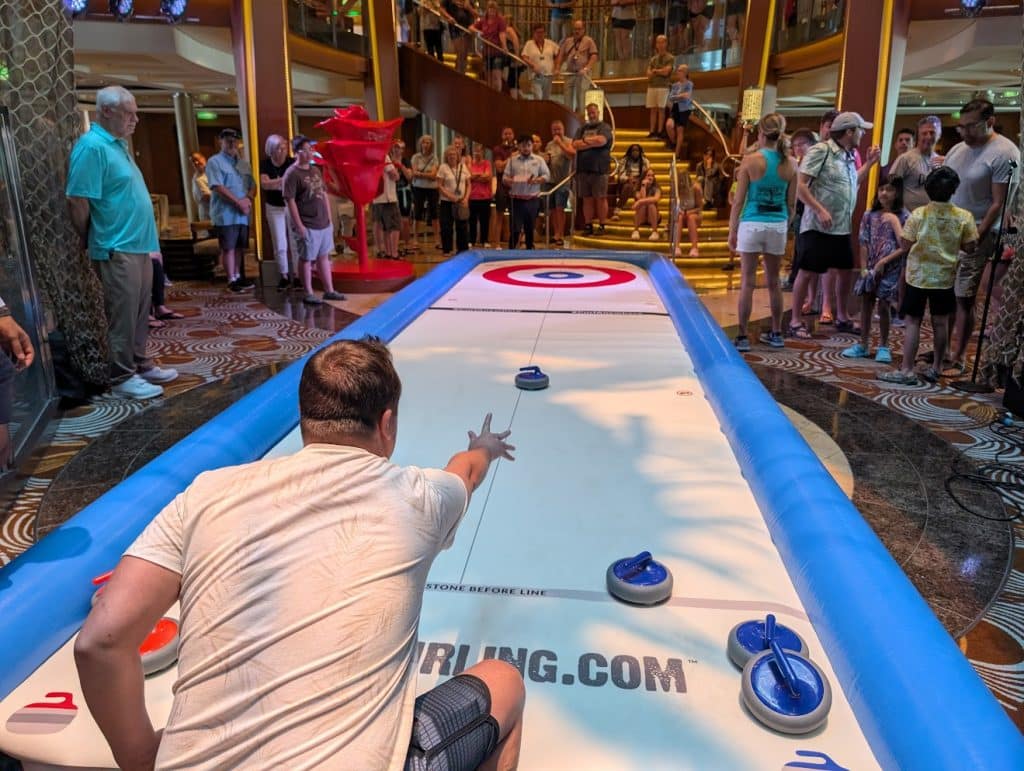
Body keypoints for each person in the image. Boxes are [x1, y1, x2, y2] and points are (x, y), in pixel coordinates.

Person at [75, 337, 525, 771]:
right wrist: (482, 448)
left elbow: (102, 641)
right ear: (387, 424)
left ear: (306, 417)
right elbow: (464, 472)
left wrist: (137, 759)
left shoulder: (208, 493)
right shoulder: (418, 497)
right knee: (504, 681)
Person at [66, 85, 178, 400]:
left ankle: (140, 363)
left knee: (141, 311)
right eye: (129, 113)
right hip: (116, 245)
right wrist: (91, 239)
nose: (136, 119)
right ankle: (121, 376)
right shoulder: (92, 147)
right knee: (123, 316)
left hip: (138, 245)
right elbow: (77, 200)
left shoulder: (117, 145)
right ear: (107, 112)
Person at [879, 167, 977, 385]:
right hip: (944, 278)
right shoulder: (964, 217)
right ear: (953, 190)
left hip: (918, 276)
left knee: (913, 321)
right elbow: (971, 246)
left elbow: (905, 244)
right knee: (940, 322)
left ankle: (906, 370)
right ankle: (937, 367)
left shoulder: (919, 214)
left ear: (928, 189)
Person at [787, 112, 881, 339]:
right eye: (860, 129)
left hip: (841, 226)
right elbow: (801, 186)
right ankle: (795, 320)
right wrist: (819, 209)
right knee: (807, 271)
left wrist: (869, 164)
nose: (863, 134)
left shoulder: (849, 155)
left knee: (845, 270)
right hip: (818, 226)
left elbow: (852, 182)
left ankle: (842, 316)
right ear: (849, 131)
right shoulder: (822, 151)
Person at [944, 98, 1020, 375]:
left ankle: (959, 355)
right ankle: (943, 349)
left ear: (989, 122)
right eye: (960, 127)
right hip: (950, 229)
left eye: (970, 127)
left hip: (980, 231)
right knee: (944, 293)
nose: (964, 133)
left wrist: (976, 236)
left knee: (964, 295)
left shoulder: (1004, 152)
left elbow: (998, 203)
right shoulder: (957, 149)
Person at [728, 113, 798, 352]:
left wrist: (732, 230)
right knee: (773, 282)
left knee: (747, 282)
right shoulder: (791, 163)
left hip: (752, 223)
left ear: (760, 133)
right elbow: (792, 204)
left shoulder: (750, 160)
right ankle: (777, 333)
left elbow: (738, 201)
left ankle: (743, 336)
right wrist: (784, 226)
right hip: (777, 224)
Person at [842, 178, 909, 364]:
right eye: (881, 189)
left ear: (897, 193)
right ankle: (863, 343)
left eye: (889, 190)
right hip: (871, 266)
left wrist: (884, 262)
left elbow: (904, 245)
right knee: (866, 301)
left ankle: (884, 345)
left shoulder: (904, 216)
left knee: (884, 305)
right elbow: (863, 241)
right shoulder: (869, 215)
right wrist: (864, 267)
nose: (884, 194)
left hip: (891, 268)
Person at [282, 136, 346, 306]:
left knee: (323, 256)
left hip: (322, 221)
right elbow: (290, 201)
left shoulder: (315, 170)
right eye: (307, 149)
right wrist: (299, 225)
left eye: (311, 149)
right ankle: (308, 292)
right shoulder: (292, 174)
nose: (311, 152)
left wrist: (329, 217)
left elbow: (323, 193)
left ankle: (329, 290)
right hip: (307, 222)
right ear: (297, 152)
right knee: (306, 258)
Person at [206, 128, 256, 293]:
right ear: (221, 142)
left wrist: (247, 199)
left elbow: (252, 185)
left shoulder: (242, 164)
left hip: (242, 214)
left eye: (234, 141)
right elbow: (217, 186)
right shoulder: (215, 161)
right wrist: (238, 202)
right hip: (225, 213)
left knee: (240, 247)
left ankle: (238, 276)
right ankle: (231, 279)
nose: (232, 143)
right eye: (228, 141)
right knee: (228, 247)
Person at [260, 134, 298, 290]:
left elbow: (295, 183)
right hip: (274, 207)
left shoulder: (292, 162)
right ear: (271, 150)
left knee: (295, 242)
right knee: (280, 243)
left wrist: (275, 182)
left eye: (284, 147)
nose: (282, 151)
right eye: (278, 148)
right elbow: (265, 185)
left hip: (291, 205)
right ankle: (283, 275)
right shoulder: (266, 164)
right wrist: (283, 181)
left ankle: (297, 275)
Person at [572, 102, 614, 236]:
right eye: (589, 113)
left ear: (598, 113)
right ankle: (588, 225)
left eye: (593, 112)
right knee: (586, 199)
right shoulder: (581, 128)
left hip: (600, 169)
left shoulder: (605, 127)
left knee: (601, 198)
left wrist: (584, 141)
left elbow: (602, 141)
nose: (591, 115)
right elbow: (574, 144)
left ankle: (602, 225)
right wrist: (592, 142)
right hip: (583, 169)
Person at [505, 134, 551, 249]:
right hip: (516, 200)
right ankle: (510, 253)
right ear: (518, 147)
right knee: (515, 229)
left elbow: (547, 175)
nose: (526, 148)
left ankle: (529, 251)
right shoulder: (512, 160)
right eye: (523, 146)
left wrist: (537, 180)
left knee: (529, 228)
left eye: (529, 145)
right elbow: (504, 178)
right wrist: (509, 181)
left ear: (532, 146)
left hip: (532, 200)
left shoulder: (539, 160)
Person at [555, 20, 599, 114]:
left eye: (579, 29)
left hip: (583, 73)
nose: (577, 31)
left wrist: (586, 68)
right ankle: (569, 118)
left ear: (583, 30)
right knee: (567, 98)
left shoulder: (589, 41)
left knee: (581, 97)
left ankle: (581, 120)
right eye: (575, 29)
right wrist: (557, 68)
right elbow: (560, 55)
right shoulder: (568, 41)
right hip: (570, 72)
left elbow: (594, 56)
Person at [544, 120, 574, 246]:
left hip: (563, 181)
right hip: (550, 180)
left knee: (560, 208)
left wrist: (560, 143)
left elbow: (572, 155)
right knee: (551, 209)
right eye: (554, 130)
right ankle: (555, 233)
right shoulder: (549, 144)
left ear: (563, 129)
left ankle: (561, 235)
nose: (557, 132)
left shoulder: (569, 141)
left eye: (559, 129)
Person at [437, 145, 470, 255]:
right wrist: (450, 196)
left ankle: (462, 250)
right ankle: (447, 249)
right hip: (446, 201)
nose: (452, 156)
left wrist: (466, 198)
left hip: (461, 201)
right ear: (446, 156)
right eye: (449, 154)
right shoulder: (443, 167)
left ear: (457, 156)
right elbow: (439, 186)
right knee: (446, 226)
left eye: (454, 154)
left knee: (462, 226)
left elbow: (469, 184)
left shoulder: (463, 167)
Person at [372, 143, 402, 260]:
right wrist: (396, 165)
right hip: (388, 197)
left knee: (384, 226)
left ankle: (386, 251)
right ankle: (394, 253)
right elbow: (394, 175)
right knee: (395, 225)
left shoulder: (371, 155)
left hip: (377, 197)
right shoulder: (384, 156)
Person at [411, 135, 441, 251]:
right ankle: (415, 239)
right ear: (421, 144)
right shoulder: (415, 157)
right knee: (417, 213)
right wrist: (427, 175)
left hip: (432, 189)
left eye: (428, 142)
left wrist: (421, 174)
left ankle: (437, 239)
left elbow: (434, 175)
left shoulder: (434, 157)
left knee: (434, 214)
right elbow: (414, 172)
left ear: (431, 145)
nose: (426, 144)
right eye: (424, 142)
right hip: (418, 188)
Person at [473, 1, 509, 93]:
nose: (492, 11)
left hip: (497, 51)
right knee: (488, 77)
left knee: (496, 76)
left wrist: (504, 46)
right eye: (490, 9)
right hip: (486, 52)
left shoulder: (500, 20)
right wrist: (479, 32)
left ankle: (497, 95)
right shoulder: (483, 20)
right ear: (487, 10)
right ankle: (490, 95)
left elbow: (502, 34)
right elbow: (471, 27)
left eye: (494, 9)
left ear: (496, 10)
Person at [490, 127, 517, 246]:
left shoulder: (518, 149)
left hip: (516, 187)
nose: (507, 136)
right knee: (499, 214)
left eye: (510, 134)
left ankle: (515, 243)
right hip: (502, 186)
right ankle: (497, 243)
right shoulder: (497, 149)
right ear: (502, 136)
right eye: (505, 134)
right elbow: (499, 167)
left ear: (513, 135)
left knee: (516, 217)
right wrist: (512, 157)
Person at [646, 35, 674, 138]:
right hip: (652, 86)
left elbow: (666, 72)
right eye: (658, 43)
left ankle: (660, 131)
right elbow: (648, 74)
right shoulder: (653, 59)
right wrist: (658, 71)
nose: (660, 45)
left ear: (666, 44)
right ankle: (652, 131)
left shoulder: (670, 58)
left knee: (661, 109)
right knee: (653, 109)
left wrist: (656, 71)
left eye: (662, 42)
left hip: (663, 86)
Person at [521, 23, 559, 100]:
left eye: (542, 32)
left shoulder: (550, 43)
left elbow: (559, 53)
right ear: (534, 33)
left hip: (548, 75)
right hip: (535, 75)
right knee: (538, 97)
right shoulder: (529, 44)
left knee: (546, 98)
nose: (540, 34)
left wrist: (557, 67)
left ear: (545, 33)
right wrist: (532, 65)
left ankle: (545, 112)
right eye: (538, 32)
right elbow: (524, 57)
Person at [467, 143, 494, 248]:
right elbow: (469, 177)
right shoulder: (470, 164)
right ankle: (471, 240)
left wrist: (475, 177)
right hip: (472, 196)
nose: (477, 153)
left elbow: (487, 177)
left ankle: (485, 240)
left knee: (485, 220)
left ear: (483, 152)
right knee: (472, 220)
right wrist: (479, 176)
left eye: (479, 151)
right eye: (475, 151)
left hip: (485, 196)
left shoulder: (487, 163)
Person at [672, 168, 703, 258]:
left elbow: (700, 207)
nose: (681, 182)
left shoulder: (695, 188)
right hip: (682, 214)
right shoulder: (676, 189)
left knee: (691, 217)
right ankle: (677, 247)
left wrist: (689, 212)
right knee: (679, 216)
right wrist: (680, 211)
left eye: (683, 179)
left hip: (694, 214)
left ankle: (694, 247)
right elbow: (673, 207)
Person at [664, 64, 693, 161]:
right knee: (669, 125)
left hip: (684, 109)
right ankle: (674, 143)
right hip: (675, 108)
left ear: (685, 73)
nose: (678, 72)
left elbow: (687, 96)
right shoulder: (675, 85)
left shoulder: (689, 84)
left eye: (680, 70)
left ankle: (677, 154)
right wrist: (680, 96)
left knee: (680, 130)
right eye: (678, 70)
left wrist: (678, 96)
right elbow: (671, 97)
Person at [615, 144, 650, 217]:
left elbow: (648, 174)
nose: (635, 152)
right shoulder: (624, 160)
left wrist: (638, 180)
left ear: (640, 152)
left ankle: (643, 214)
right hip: (628, 182)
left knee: (640, 186)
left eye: (637, 150)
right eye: (633, 150)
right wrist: (628, 178)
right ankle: (617, 210)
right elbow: (620, 176)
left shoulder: (645, 161)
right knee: (628, 187)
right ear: (630, 152)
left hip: (641, 182)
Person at [443, 0, 477, 73]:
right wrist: (449, 17)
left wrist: (469, 8)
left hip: (468, 29)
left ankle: (462, 75)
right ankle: (458, 75)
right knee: (460, 53)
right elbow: (441, 8)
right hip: (456, 28)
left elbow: (476, 14)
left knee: (464, 55)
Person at [630, 168, 662, 241]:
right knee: (643, 205)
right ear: (644, 177)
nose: (651, 177)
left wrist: (639, 202)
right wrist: (643, 186)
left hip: (654, 216)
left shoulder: (657, 188)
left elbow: (656, 199)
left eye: (652, 176)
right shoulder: (638, 188)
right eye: (648, 175)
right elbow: (641, 198)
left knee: (650, 204)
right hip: (641, 215)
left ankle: (655, 232)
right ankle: (636, 230)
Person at [189, 152, 210, 222]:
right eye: (193, 162)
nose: (196, 162)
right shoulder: (197, 179)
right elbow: (207, 197)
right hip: (208, 213)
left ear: (204, 159)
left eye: (197, 159)